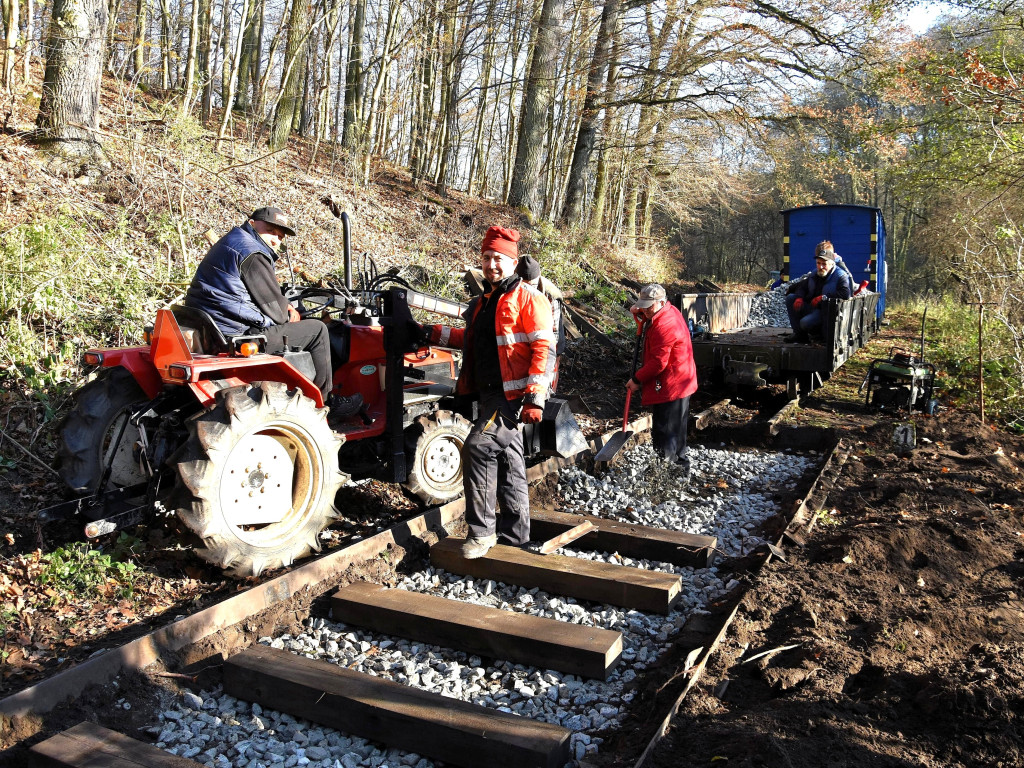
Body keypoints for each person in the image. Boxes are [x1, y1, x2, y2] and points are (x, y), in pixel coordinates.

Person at [422, 226, 555, 559]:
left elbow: (544, 349)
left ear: (512, 263)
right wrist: (426, 332)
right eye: (486, 257)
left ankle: (482, 534)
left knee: (478, 447)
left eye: (498, 258)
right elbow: (469, 340)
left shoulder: (529, 299)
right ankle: (516, 536)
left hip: (512, 396)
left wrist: (535, 397)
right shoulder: (484, 302)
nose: (491, 264)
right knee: (509, 461)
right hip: (488, 393)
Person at [184, 206, 361, 415]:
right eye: (270, 231)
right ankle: (325, 402)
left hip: (217, 326)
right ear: (252, 224)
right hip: (237, 334)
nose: (276, 240)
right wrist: (290, 312)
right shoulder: (253, 253)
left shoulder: (233, 242)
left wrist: (285, 305)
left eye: (280, 236)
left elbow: (254, 295)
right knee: (318, 330)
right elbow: (276, 312)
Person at [625, 283, 698, 478]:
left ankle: (664, 474)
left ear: (661, 302)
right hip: (682, 379)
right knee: (677, 428)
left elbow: (658, 363)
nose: (646, 310)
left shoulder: (665, 326)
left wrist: (637, 379)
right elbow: (643, 309)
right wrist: (639, 310)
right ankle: (680, 470)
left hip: (671, 384)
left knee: (664, 430)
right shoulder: (668, 311)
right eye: (644, 306)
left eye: (649, 306)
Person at [784, 240, 855, 343]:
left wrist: (824, 297)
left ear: (831, 263)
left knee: (805, 323)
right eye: (818, 263)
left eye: (824, 264)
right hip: (813, 307)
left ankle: (821, 335)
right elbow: (802, 287)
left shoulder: (841, 276)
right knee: (791, 298)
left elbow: (845, 294)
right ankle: (800, 335)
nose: (820, 267)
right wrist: (799, 297)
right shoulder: (815, 274)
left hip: (827, 312)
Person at [515, 254, 565, 390]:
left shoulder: (551, 294)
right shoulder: (512, 287)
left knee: (551, 360)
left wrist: (546, 352)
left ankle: (550, 391)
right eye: (525, 286)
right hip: (527, 325)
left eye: (532, 285)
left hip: (549, 328)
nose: (529, 290)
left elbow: (553, 333)